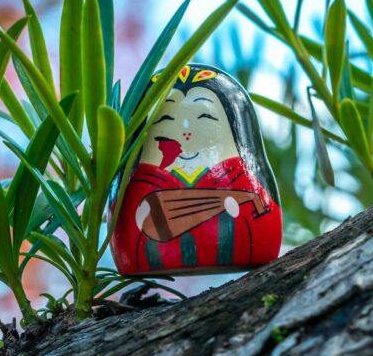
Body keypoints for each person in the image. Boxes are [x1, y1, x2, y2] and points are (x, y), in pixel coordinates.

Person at [111, 64, 282, 275]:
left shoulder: (240, 178)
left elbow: (260, 223)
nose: (185, 130)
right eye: (166, 118)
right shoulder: (141, 182)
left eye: (205, 117)